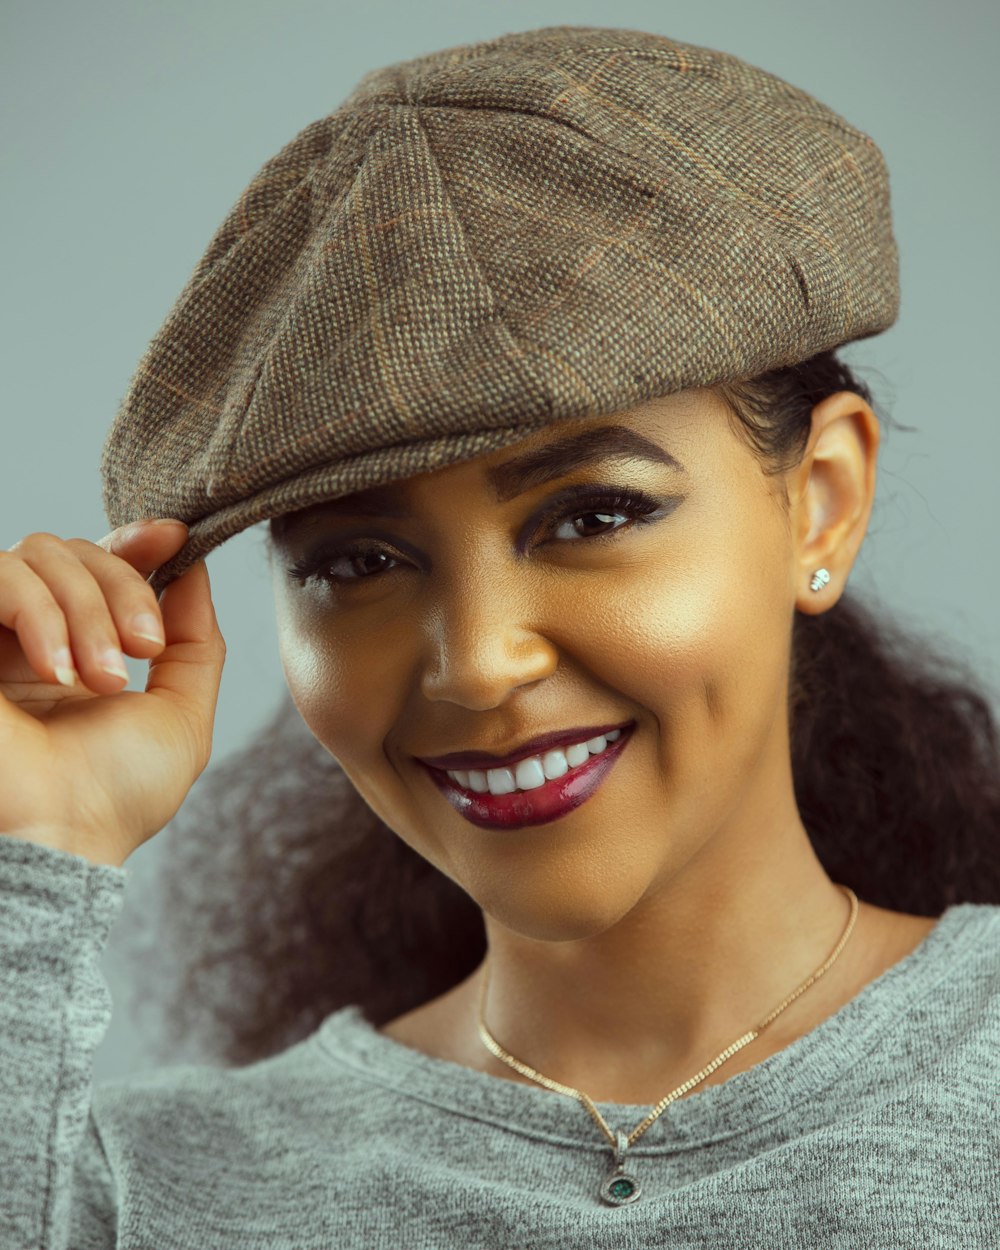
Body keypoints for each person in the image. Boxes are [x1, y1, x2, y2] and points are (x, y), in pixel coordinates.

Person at [1, 23, 998, 1249]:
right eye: (359, 561)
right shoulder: (152, 1187)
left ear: (823, 500)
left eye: (592, 514)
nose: (476, 662)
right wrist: (32, 855)